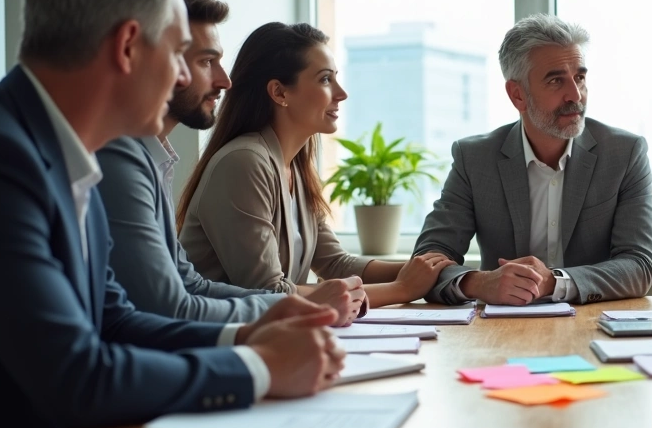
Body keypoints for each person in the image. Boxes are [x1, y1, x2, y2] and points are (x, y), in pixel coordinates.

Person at [0, 0, 345, 428]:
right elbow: (77, 377)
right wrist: (259, 367)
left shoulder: (68, 149)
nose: (186, 76)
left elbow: (116, 319)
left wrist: (249, 333)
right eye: (179, 53)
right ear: (127, 46)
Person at [97, 0, 366, 323]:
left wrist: (298, 306)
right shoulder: (121, 159)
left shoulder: (155, 159)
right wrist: (303, 307)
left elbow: (189, 286)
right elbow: (169, 306)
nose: (225, 81)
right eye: (205, 61)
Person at [177, 22, 452, 305]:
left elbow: (336, 264)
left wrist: (434, 273)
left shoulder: (295, 167)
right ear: (280, 93)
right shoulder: (244, 162)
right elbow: (268, 292)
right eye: (324, 79)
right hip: (222, 338)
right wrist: (402, 290)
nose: (341, 93)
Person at [413, 14, 652, 305]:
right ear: (518, 95)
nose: (575, 95)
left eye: (579, 77)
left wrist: (554, 282)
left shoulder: (624, 153)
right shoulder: (474, 159)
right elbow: (426, 261)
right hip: (499, 329)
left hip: (592, 323)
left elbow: (639, 265)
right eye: (556, 80)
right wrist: (480, 282)